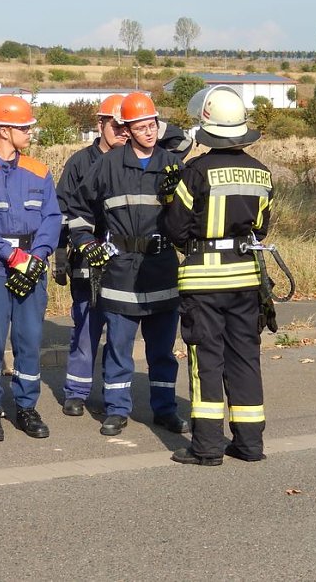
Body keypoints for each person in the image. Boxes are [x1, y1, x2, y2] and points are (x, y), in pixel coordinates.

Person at [162, 85, 273, 466]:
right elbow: (260, 228)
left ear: (207, 126)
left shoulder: (194, 172)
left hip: (203, 282)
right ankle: (249, 444)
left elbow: (176, 229)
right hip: (246, 280)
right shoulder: (262, 173)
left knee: (206, 360)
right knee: (244, 358)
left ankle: (207, 447)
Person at [66, 92, 188, 436]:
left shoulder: (172, 164)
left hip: (162, 267)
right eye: (141, 127)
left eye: (153, 125)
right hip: (119, 270)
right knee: (119, 348)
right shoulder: (107, 165)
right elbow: (77, 210)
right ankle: (117, 410)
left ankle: (164, 409)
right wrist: (86, 242)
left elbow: (189, 216)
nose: (149, 132)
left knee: (162, 351)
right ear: (127, 129)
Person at [0, 96, 61, 442]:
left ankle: (26, 407)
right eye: (23, 127)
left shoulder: (39, 171)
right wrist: (12, 256)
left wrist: (39, 254)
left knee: (29, 340)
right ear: (3, 130)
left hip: (32, 265)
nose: (29, 132)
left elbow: (52, 217)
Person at [55, 94, 128, 416]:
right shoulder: (79, 163)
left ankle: (114, 397)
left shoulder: (135, 161)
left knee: (120, 333)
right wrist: (59, 254)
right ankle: (77, 391)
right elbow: (61, 210)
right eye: (116, 125)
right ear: (100, 124)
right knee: (85, 328)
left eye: (129, 126)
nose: (123, 132)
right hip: (87, 258)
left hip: (126, 265)